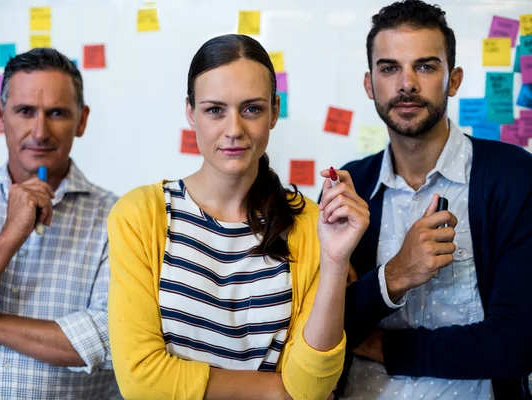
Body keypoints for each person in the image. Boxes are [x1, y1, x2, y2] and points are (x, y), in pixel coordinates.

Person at [108, 34, 370, 400]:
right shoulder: (139, 215)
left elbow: (311, 387)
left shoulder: (311, 223)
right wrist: (277, 391)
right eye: (215, 109)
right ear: (190, 112)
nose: (233, 129)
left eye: (252, 109)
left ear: (275, 112)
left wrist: (336, 260)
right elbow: (142, 382)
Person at [333, 1, 532, 399]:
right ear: (370, 84)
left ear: (453, 80)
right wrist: (396, 275)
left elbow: (517, 343)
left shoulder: (513, 176)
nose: (406, 84)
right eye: (389, 68)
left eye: (425, 66)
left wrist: (386, 348)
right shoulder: (349, 185)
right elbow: (325, 328)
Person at [0, 48, 121, 399]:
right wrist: (10, 235)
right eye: (25, 111)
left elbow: (110, 341)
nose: (40, 131)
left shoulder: (119, 218)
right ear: (1, 116)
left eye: (57, 113)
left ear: (82, 121)